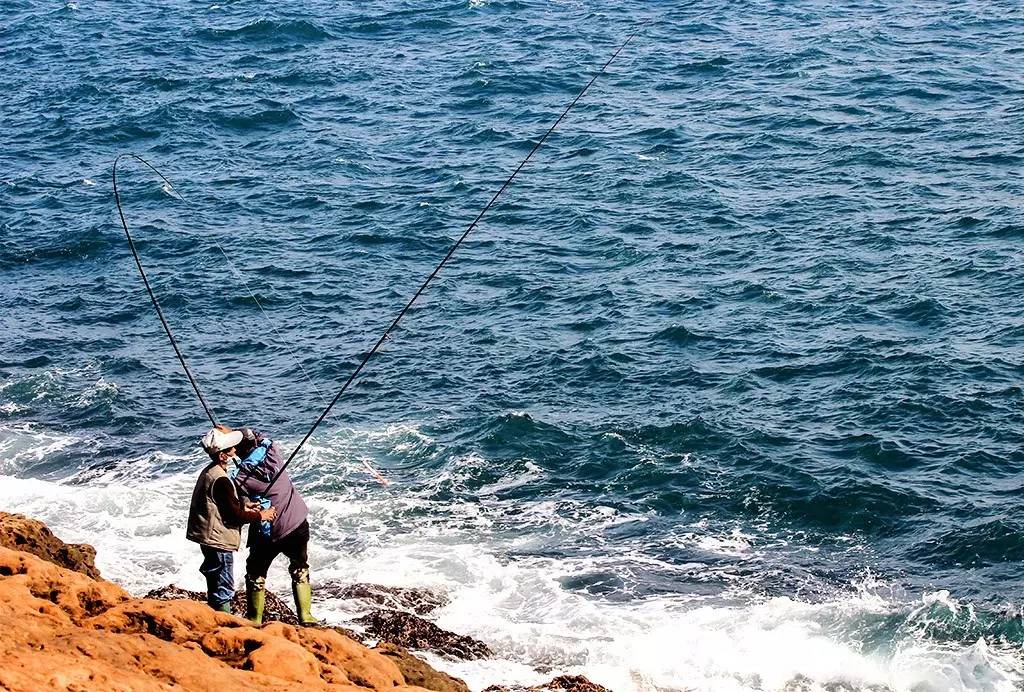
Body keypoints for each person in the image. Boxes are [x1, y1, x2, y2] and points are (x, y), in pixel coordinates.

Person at [230, 426, 318, 626]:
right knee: (300, 566)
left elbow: (239, 493)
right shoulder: (273, 455)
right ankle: (306, 616)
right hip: (296, 525)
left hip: (266, 531)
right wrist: (235, 433)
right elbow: (261, 438)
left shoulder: (239, 477)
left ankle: (254, 619)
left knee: (255, 571)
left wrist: (228, 441)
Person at [186, 426, 277, 612]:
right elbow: (235, 516)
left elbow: (221, 506)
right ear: (222, 456)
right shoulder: (222, 480)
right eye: (231, 449)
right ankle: (224, 623)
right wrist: (261, 515)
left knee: (215, 580)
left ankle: (216, 616)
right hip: (219, 541)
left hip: (209, 539)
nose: (235, 451)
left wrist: (244, 505)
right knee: (223, 585)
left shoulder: (209, 472)